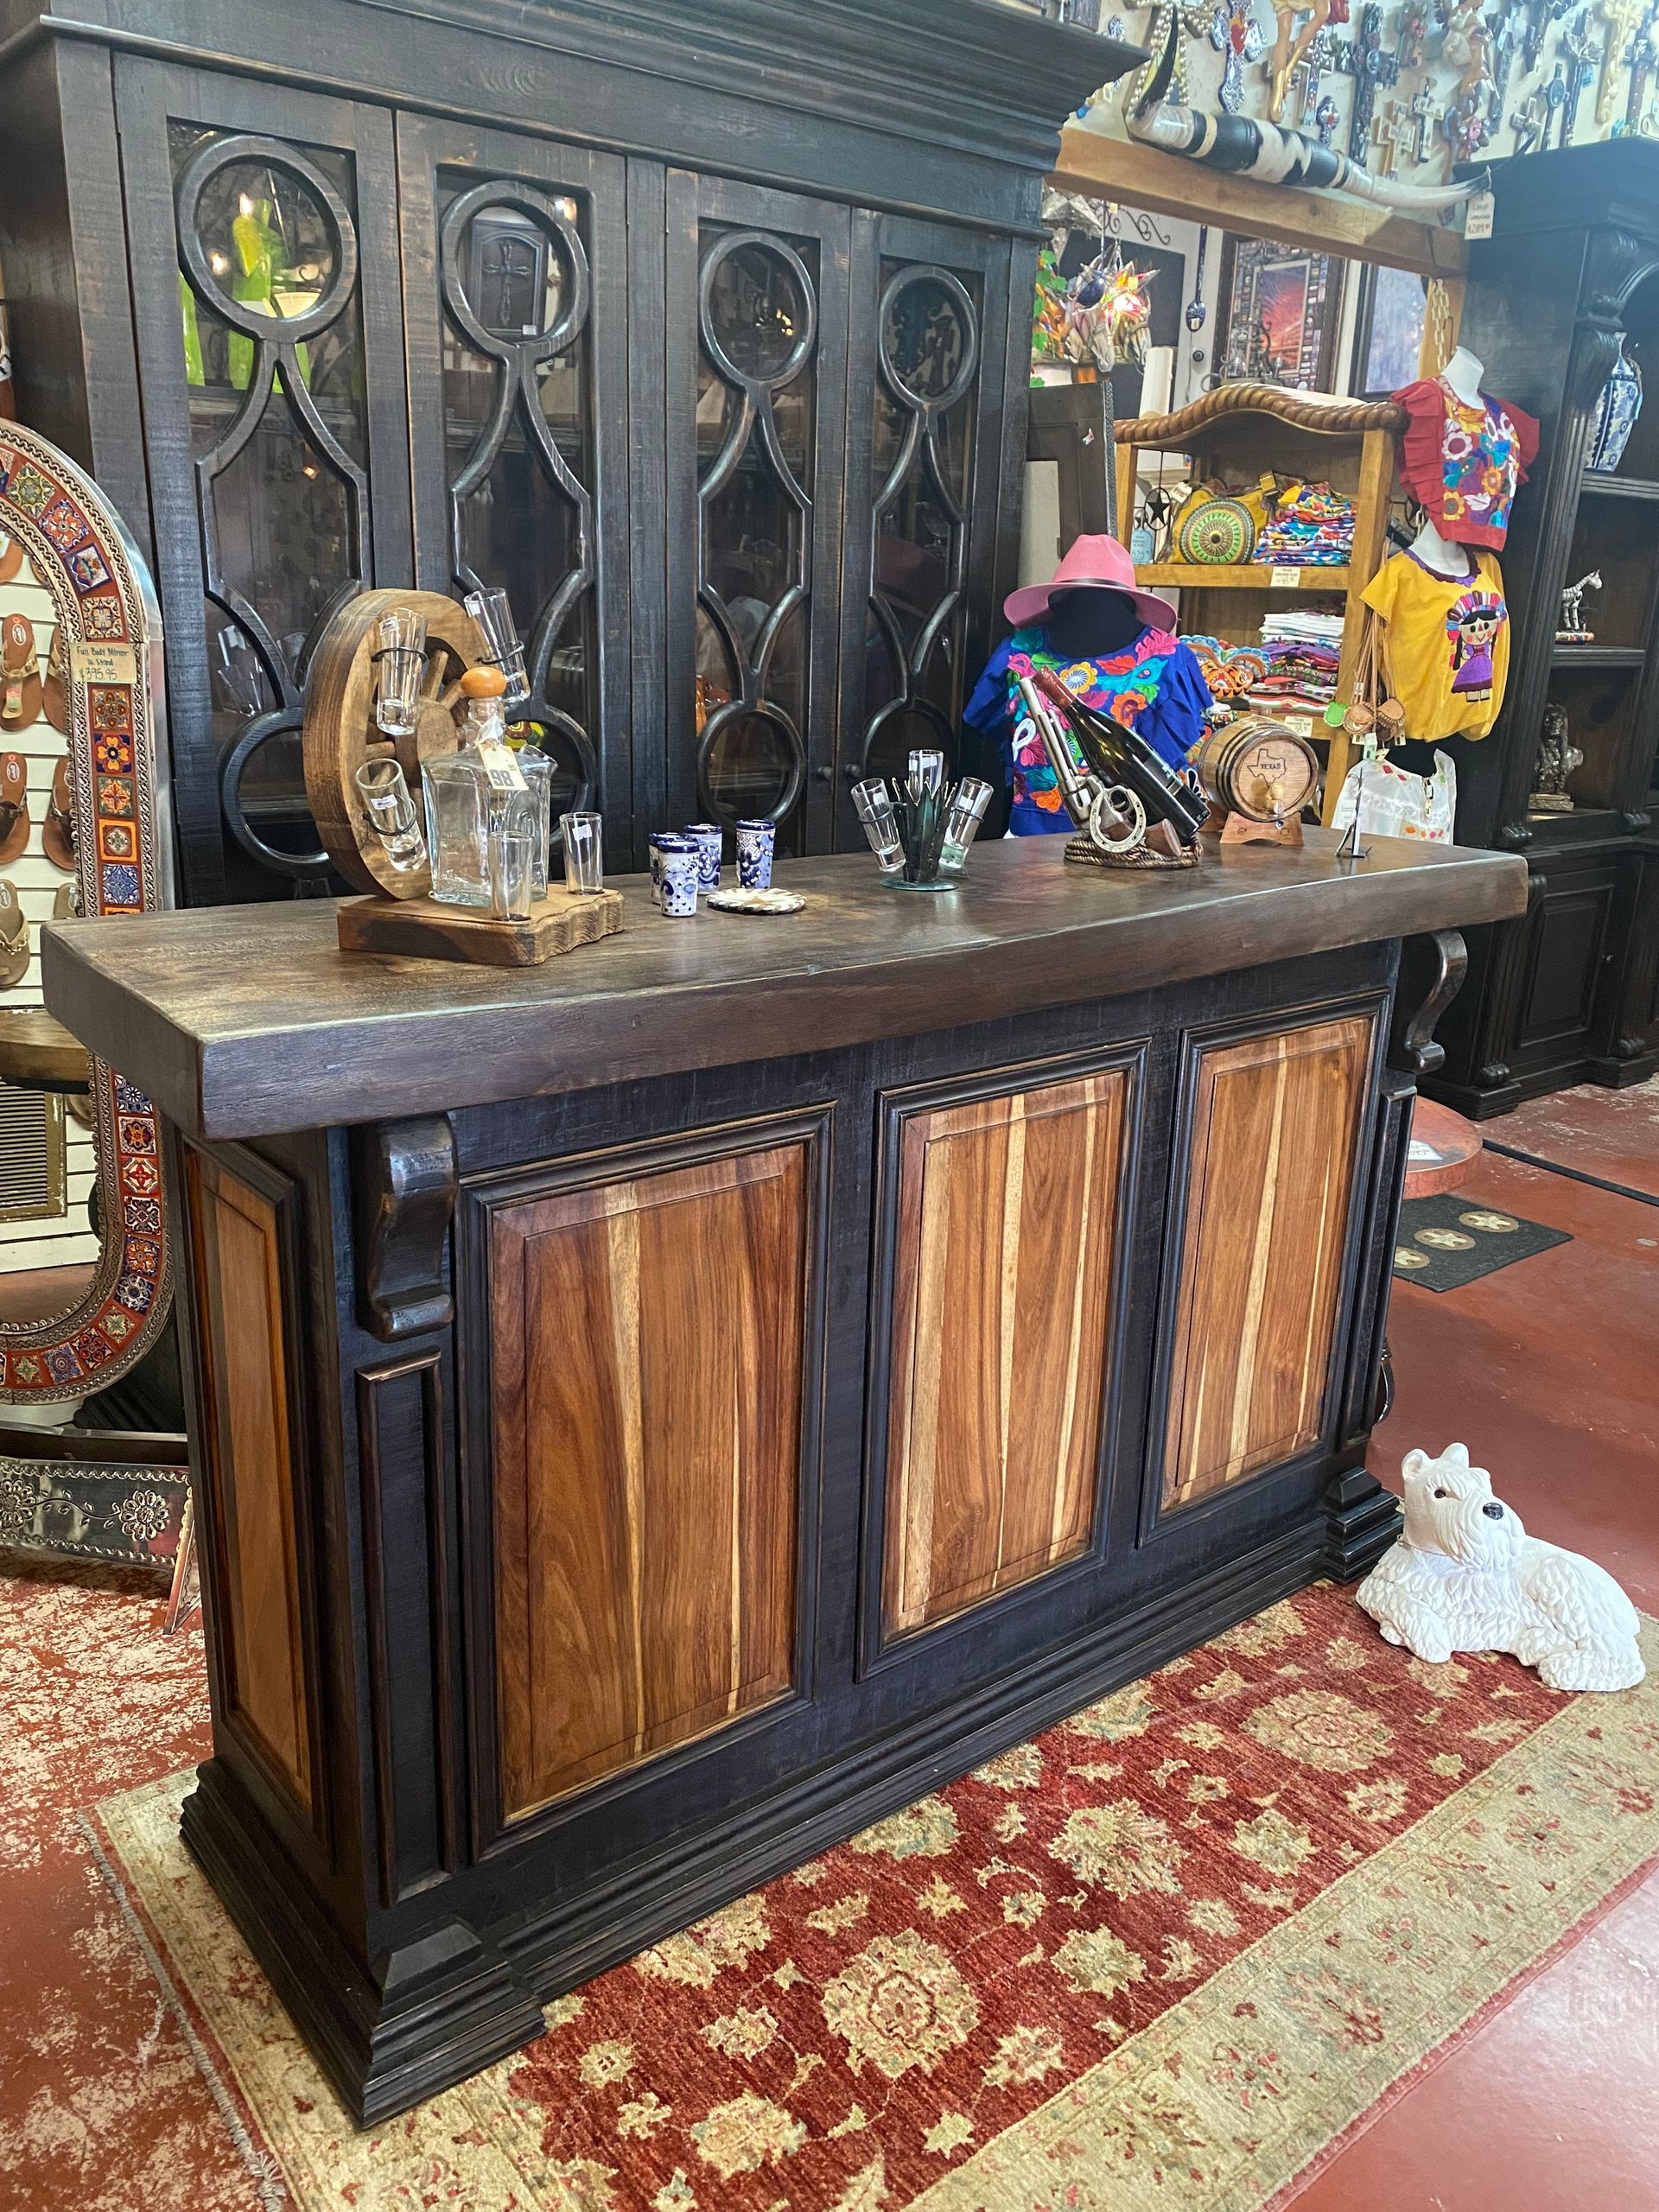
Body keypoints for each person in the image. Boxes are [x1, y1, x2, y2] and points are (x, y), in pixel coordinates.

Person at [963, 534, 1212, 836]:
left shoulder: (1166, 661)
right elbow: (997, 748)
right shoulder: (1018, 654)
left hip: (1128, 845)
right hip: (1027, 847)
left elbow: (1167, 767)